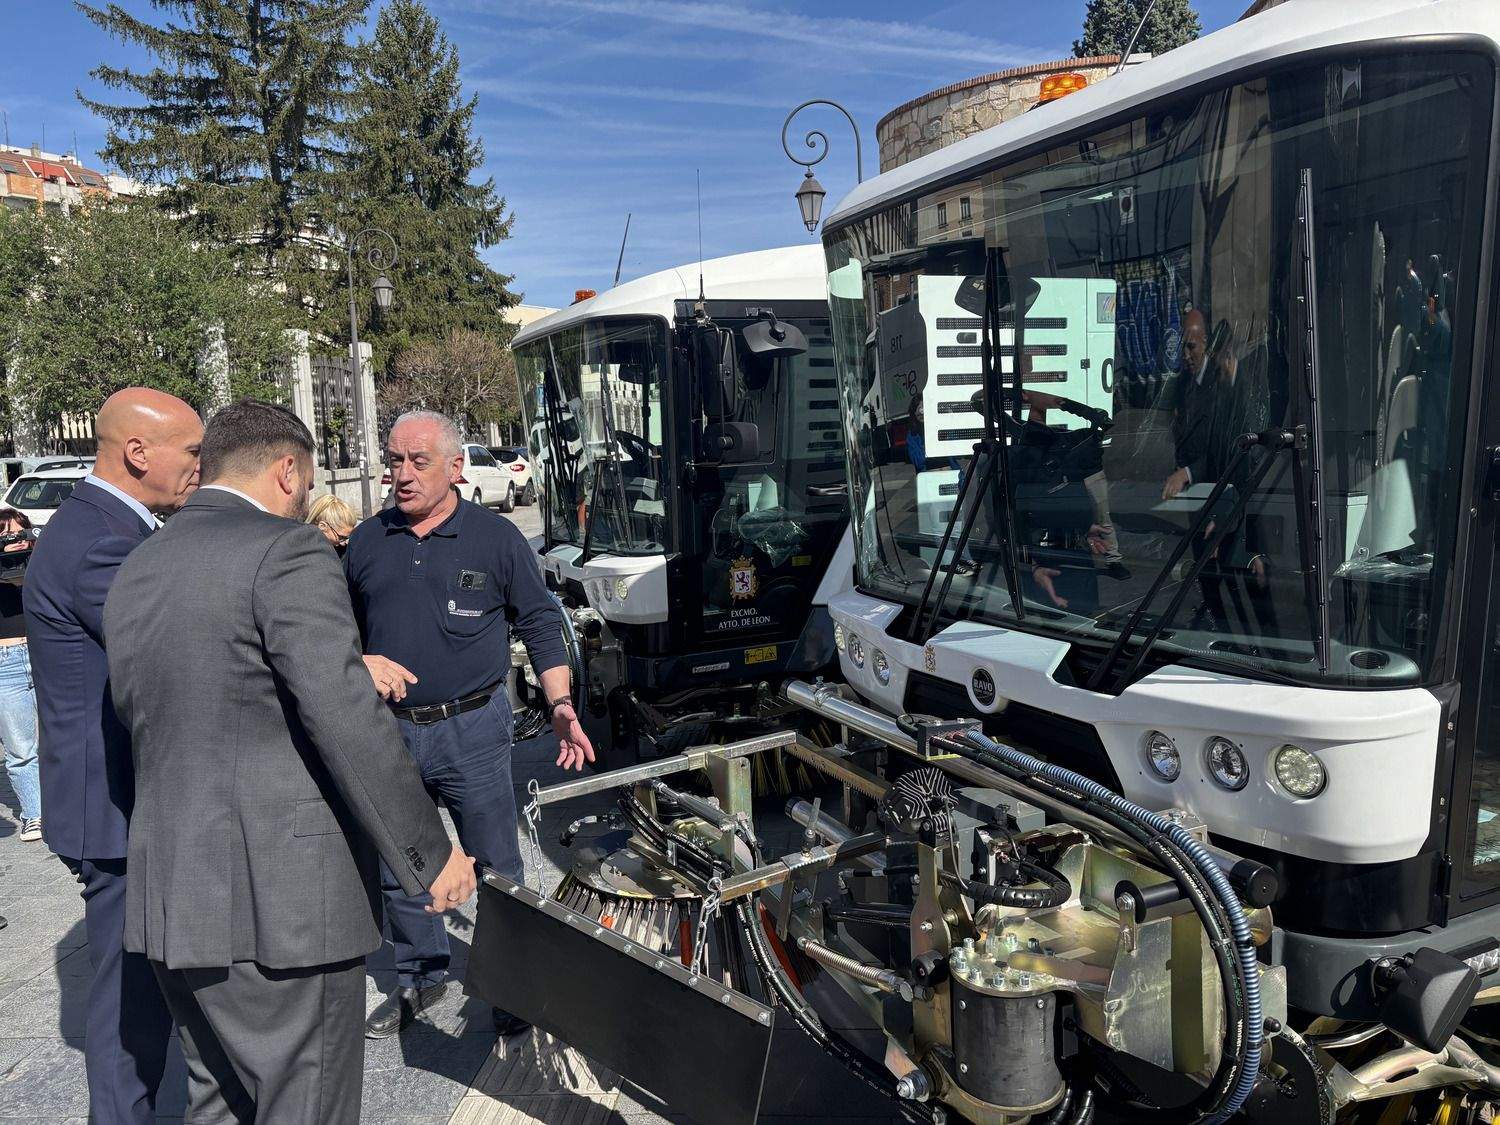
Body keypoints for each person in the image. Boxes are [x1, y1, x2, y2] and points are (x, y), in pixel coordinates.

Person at [103, 400, 475, 1124]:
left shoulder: (140, 563)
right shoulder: (288, 551)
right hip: (286, 910)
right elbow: (345, 717)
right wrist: (429, 853)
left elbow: (142, 719)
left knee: (217, 1101)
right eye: (303, 487)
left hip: (173, 896)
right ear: (286, 470)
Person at [344, 409, 594, 1041]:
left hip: (474, 732)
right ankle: (421, 973)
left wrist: (561, 704)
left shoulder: (496, 539)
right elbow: (338, 631)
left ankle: (511, 986)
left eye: (417, 461)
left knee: (497, 865)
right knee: (403, 863)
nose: (402, 475)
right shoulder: (368, 543)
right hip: (390, 734)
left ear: (456, 468)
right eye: (394, 461)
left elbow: (539, 622)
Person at [24, 387, 201, 1125]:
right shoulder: (103, 540)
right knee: (128, 1009)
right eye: (192, 451)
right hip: (115, 812)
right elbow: (176, 651)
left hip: (113, 803)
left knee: (142, 998)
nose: (201, 464)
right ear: (137, 453)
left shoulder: (104, 525)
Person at [0, 506, 40, 842]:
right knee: (20, 747)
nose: (13, 535)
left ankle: (64, 806)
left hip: (44, 655)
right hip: (5, 661)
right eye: (4, 530)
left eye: (18, 527)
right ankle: (34, 815)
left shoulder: (39, 562)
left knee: (61, 737)